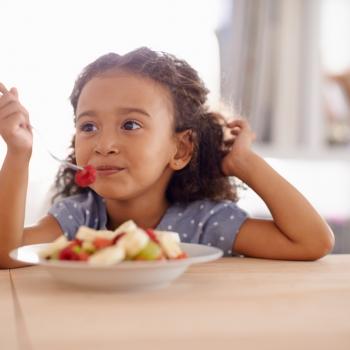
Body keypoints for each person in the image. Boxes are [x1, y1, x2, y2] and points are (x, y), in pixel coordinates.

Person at [0, 47, 334, 268]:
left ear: (181, 149)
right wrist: (18, 152)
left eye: (130, 124)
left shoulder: (204, 223)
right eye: (88, 126)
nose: (104, 144)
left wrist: (244, 163)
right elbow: (7, 253)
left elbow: (312, 241)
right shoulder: (77, 219)